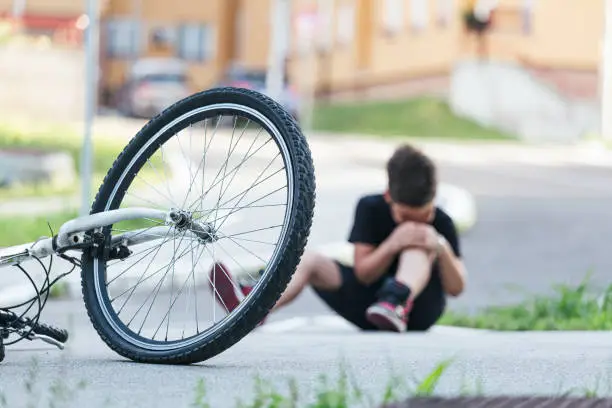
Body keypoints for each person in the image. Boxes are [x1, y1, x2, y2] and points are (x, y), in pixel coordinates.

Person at [209, 144, 467, 332]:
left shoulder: (441, 221)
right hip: (369, 306)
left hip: (420, 311)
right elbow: (364, 273)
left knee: (419, 244)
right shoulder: (371, 207)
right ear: (389, 196)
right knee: (310, 260)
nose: (415, 222)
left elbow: (456, 288)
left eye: (424, 214)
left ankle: (397, 301)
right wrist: (393, 243)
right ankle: (254, 306)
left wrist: (440, 246)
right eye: (405, 216)